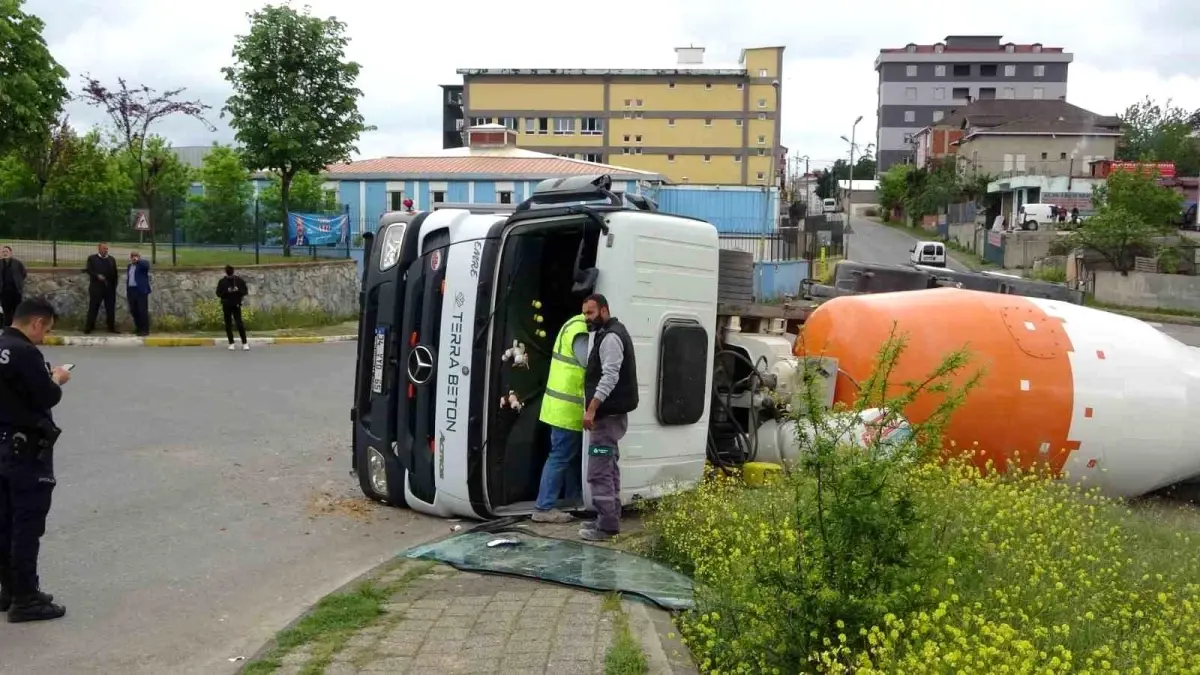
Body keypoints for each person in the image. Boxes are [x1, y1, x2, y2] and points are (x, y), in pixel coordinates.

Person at [0, 297, 70, 622]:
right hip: (24, 449)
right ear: (37, 323)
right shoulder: (26, 352)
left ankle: (11, 589)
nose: (44, 336)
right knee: (27, 525)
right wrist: (56, 377)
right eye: (46, 330)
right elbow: (47, 395)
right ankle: (26, 600)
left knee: (4, 522)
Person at [578, 293, 638, 542]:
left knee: (599, 471)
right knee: (609, 467)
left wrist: (591, 409)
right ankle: (609, 519)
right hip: (611, 416)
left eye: (590, 313)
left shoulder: (611, 337)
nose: (586, 319)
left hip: (606, 418)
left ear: (604, 311)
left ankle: (606, 527)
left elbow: (610, 377)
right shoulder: (609, 333)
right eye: (584, 314)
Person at [531, 312, 589, 523]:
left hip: (560, 406)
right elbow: (588, 361)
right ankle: (543, 507)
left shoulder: (572, 323)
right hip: (567, 408)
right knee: (561, 456)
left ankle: (575, 499)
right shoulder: (581, 329)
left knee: (571, 458)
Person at [83, 242, 118, 334]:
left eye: (106, 249)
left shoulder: (111, 259)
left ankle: (111, 327)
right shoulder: (92, 258)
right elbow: (89, 270)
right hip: (96, 288)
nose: (105, 250)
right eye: (104, 248)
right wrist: (97, 276)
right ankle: (89, 327)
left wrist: (114, 286)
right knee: (93, 308)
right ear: (99, 249)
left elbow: (115, 273)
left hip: (109, 289)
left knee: (110, 308)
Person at [216, 265, 250, 351]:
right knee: (228, 324)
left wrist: (237, 290)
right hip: (226, 305)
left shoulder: (238, 281)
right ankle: (231, 343)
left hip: (236, 304)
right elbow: (218, 293)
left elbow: (245, 291)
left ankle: (244, 343)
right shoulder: (222, 282)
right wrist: (227, 291)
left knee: (239, 324)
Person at [125, 251, 152, 336]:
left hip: (140, 291)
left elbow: (147, 266)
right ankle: (138, 328)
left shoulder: (142, 264)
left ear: (139, 257)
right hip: (131, 290)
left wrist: (138, 261)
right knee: (134, 310)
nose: (134, 257)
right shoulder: (129, 266)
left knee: (142, 310)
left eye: (136, 256)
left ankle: (145, 330)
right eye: (132, 256)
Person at [0, 247, 27, 329]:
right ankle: (7, 328)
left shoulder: (17, 263)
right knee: (6, 312)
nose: (5, 253)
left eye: (6, 251)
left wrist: (19, 283)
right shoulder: (0, 263)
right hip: (4, 292)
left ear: (11, 253)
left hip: (16, 291)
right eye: (3, 252)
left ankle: (17, 328)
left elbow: (23, 273)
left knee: (17, 311)